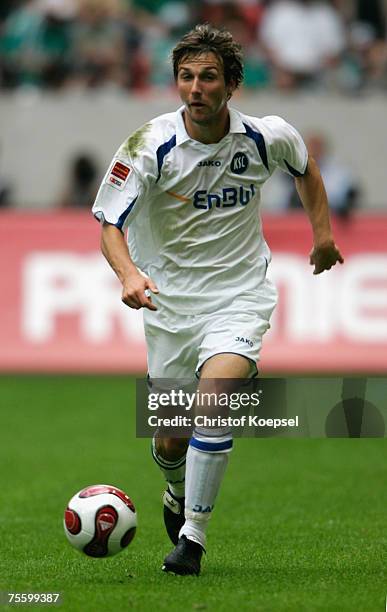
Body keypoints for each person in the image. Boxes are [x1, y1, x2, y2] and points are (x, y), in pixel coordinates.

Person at [92, 23, 344, 576]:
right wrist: (129, 274)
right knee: (170, 439)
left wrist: (322, 235)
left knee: (218, 394)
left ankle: (193, 539)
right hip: (169, 307)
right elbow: (110, 224)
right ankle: (177, 490)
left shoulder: (265, 136)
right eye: (186, 77)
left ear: (232, 85)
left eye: (208, 77)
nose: (195, 88)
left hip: (239, 295)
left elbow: (305, 169)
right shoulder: (147, 145)